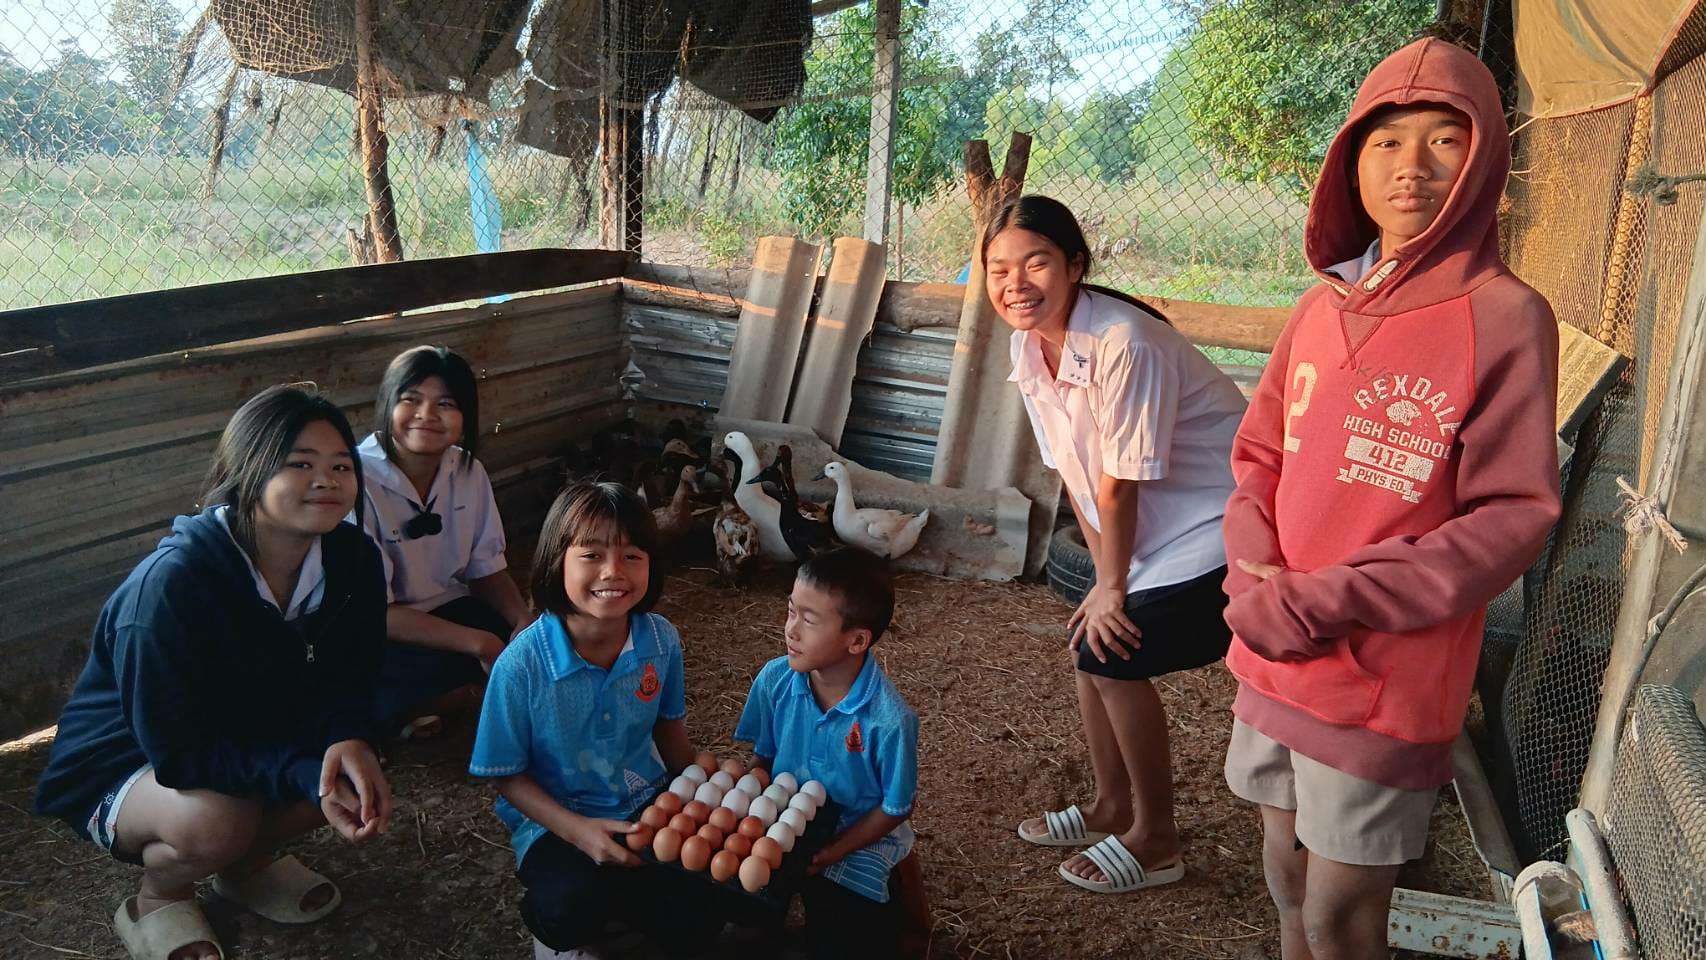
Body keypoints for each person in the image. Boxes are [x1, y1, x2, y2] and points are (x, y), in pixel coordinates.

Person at [1220, 38, 1562, 960]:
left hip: (1380, 677)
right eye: (1385, 142)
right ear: (1350, 163)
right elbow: (1257, 452)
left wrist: (1326, 598)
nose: (1410, 166)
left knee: (1342, 913)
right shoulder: (1318, 307)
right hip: (1272, 649)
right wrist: (1251, 576)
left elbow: (1510, 516)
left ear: (1485, 157)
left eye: (1444, 140)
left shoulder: (1503, 315)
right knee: (1285, 874)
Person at [34, 384, 392, 960]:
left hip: (243, 736)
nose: (327, 479)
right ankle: (159, 897)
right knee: (220, 819)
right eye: (299, 463)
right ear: (246, 472)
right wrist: (302, 769)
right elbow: (178, 753)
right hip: (130, 762)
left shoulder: (352, 558)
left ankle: (244, 867)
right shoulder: (173, 585)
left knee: (345, 772)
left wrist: (350, 734)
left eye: (341, 465)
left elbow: (356, 671)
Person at [990, 195, 1245, 894]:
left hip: (1230, 527)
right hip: (1164, 532)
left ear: (1075, 265)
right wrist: (1109, 579)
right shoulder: (1030, 344)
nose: (1016, 283)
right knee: (1091, 641)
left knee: (1109, 647)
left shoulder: (1123, 341)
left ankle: (1157, 840)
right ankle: (1111, 804)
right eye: (998, 268)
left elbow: (1119, 486)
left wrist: (1111, 586)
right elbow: (1073, 474)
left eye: (1036, 262)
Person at [468, 481, 718, 960]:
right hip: (558, 818)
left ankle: (624, 912)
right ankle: (574, 928)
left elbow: (668, 729)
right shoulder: (522, 664)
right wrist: (578, 830)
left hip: (643, 800)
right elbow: (506, 775)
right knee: (567, 908)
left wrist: (706, 788)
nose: (613, 572)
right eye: (592, 554)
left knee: (705, 913)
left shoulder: (660, 641)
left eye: (632, 556)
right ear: (556, 560)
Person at [734, 547, 919, 959]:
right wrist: (747, 800)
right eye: (791, 611)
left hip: (852, 833)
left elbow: (895, 808)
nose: (791, 630)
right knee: (739, 908)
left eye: (809, 619)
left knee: (843, 939)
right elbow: (763, 757)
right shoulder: (775, 680)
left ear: (857, 640)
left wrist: (832, 852)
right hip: (783, 817)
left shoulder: (889, 720)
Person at [357, 345, 531, 736]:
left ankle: (441, 702)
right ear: (387, 405)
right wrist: (479, 644)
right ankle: (443, 700)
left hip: (450, 614)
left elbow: (486, 569)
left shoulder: (468, 471)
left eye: (446, 404)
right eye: (411, 400)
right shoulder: (356, 480)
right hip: (381, 628)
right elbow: (374, 612)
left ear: (466, 416)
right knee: (362, 670)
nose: (427, 416)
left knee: (537, 639)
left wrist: (522, 621)